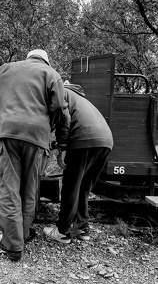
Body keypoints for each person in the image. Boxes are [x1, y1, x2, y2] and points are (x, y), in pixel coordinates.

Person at [0, 49, 66, 261]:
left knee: (10, 190)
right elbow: (59, 107)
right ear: (45, 60)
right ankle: (23, 235)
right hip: (37, 138)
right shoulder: (52, 74)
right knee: (29, 191)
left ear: (28, 58)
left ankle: (13, 246)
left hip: (8, 134)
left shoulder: (9, 68)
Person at [43, 82, 114, 244]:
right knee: (83, 187)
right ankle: (82, 229)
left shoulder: (62, 93)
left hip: (82, 141)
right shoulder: (81, 99)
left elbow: (65, 118)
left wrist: (62, 148)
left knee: (70, 186)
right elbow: (78, 123)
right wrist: (55, 145)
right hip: (105, 141)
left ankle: (62, 231)